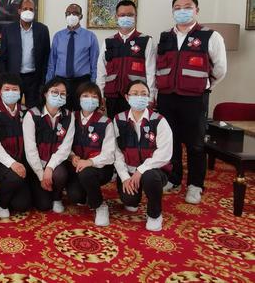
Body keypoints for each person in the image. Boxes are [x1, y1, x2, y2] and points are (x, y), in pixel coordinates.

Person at [156, 0, 227, 204]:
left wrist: (204, 85)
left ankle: (195, 185)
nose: (182, 11)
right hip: (167, 96)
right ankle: (173, 178)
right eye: (177, 7)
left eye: (187, 7)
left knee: (196, 144)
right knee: (171, 141)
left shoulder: (210, 36)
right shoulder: (165, 37)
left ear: (197, 10)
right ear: (173, 12)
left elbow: (220, 69)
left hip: (194, 98)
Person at [114, 80, 172, 232]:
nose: (139, 97)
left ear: (149, 97)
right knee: (130, 201)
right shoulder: (119, 119)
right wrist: (125, 177)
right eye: (135, 94)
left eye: (143, 94)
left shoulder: (159, 120)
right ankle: (133, 194)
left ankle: (154, 214)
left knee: (150, 177)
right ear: (127, 97)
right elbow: (116, 152)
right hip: (128, 170)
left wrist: (141, 170)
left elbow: (164, 153)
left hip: (154, 170)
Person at [96, 0, 156, 118]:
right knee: (114, 130)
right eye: (122, 15)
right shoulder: (108, 42)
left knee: (135, 131)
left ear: (135, 17)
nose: (126, 18)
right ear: (116, 17)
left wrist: (151, 97)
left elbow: (151, 72)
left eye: (130, 15)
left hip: (136, 97)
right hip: (112, 97)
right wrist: (100, 95)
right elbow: (101, 71)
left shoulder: (146, 41)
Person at [67, 82, 116, 226]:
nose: (90, 99)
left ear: (99, 101)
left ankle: (100, 206)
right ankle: (87, 192)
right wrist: (72, 156)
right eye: (85, 96)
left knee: (87, 174)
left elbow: (109, 153)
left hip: (99, 168)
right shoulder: (71, 118)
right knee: (76, 197)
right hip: (75, 165)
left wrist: (89, 162)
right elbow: (63, 143)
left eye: (94, 96)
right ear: (79, 99)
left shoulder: (105, 122)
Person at [23, 77, 74, 213]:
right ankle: (37, 187)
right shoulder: (32, 114)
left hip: (55, 163)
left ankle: (57, 197)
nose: (59, 96)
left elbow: (65, 147)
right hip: (35, 165)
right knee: (43, 205)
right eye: (55, 92)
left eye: (63, 93)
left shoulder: (69, 116)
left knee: (60, 174)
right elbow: (30, 149)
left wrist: (50, 167)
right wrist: (41, 174)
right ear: (45, 93)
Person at [0, 73, 31, 218]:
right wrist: (12, 163)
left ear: (20, 92)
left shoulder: (26, 112)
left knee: (22, 205)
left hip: (21, 163)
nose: (11, 92)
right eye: (7, 89)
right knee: (14, 177)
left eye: (14, 89)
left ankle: (11, 193)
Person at [0, 0, 51, 108]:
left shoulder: (42, 30)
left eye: (31, 9)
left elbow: (47, 57)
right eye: (25, 9)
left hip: (34, 79)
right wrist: (3, 80)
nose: (28, 11)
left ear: (34, 12)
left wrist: (44, 81)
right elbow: (2, 58)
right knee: (12, 109)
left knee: (34, 110)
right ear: (19, 11)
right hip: (13, 78)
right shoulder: (8, 30)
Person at [46, 4, 99, 111]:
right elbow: (52, 63)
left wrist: (93, 85)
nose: (71, 16)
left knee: (80, 113)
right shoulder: (58, 36)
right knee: (61, 113)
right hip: (60, 82)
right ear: (65, 15)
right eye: (68, 13)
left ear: (81, 16)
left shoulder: (90, 36)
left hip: (82, 82)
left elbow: (95, 63)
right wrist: (48, 85)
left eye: (75, 13)